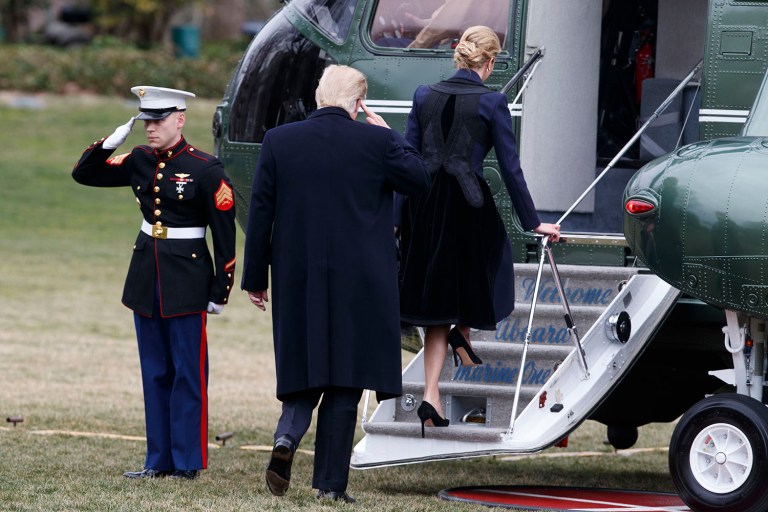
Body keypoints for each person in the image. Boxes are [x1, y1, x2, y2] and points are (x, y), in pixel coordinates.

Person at [242, 65, 429, 503]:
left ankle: (287, 437)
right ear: (359, 103)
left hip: (297, 276)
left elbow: (260, 212)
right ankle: (330, 485)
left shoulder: (279, 141)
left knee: (304, 368)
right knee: (345, 380)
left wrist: (255, 279)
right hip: (360, 282)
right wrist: (392, 134)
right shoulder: (377, 142)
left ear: (318, 95)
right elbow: (420, 180)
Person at [397, 26, 561, 435]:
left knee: (436, 303)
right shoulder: (492, 101)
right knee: (492, 265)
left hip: (425, 205)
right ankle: (463, 332)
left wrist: (398, 218)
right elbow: (510, 167)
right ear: (488, 62)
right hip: (470, 205)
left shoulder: (422, 95)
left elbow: (408, 158)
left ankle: (431, 395)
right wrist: (532, 221)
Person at [71, 86, 237, 480]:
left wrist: (221, 289)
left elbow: (224, 234)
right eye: (146, 120)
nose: (150, 128)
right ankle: (157, 460)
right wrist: (110, 142)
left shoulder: (205, 168)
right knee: (155, 371)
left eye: (158, 120)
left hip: (187, 280)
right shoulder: (141, 160)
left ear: (180, 119)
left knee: (188, 374)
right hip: (147, 276)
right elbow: (84, 174)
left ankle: (186, 462)